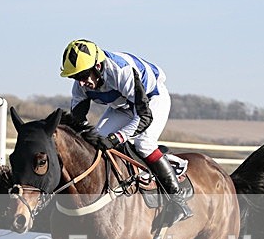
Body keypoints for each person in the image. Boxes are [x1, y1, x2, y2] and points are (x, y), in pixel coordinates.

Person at [60, 39, 192, 224]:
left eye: (83, 75)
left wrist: (117, 138)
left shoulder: (122, 71)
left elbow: (144, 116)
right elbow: (77, 123)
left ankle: (177, 200)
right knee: (94, 144)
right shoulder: (81, 85)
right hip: (122, 106)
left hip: (151, 101)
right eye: (75, 77)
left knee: (143, 143)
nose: (80, 83)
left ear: (97, 66)